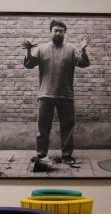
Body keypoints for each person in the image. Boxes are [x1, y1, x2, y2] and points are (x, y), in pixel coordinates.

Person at [21, 20, 91, 165]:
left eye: (61, 31)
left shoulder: (72, 49)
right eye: (55, 30)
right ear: (51, 32)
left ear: (65, 33)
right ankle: (41, 155)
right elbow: (28, 65)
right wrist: (28, 51)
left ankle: (66, 156)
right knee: (42, 127)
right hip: (45, 95)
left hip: (66, 95)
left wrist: (83, 49)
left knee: (68, 127)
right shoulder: (41, 48)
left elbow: (83, 64)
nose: (58, 33)